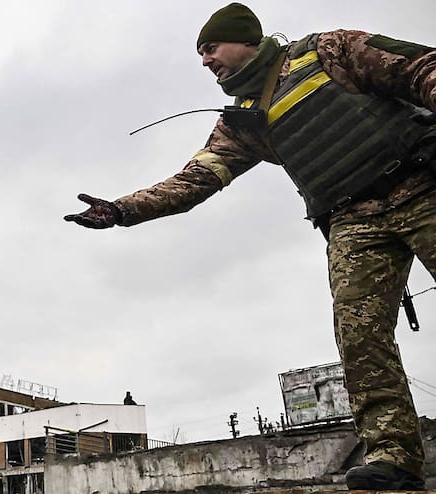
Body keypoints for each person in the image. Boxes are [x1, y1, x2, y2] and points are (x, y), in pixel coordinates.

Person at [64, 3, 435, 490]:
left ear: (246, 40)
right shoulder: (243, 120)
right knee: (360, 337)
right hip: (352, 221)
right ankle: (393, 455)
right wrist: (122, 210)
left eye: (210, 48)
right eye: (201, 54)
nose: (205, 61)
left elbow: (419, 68)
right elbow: (196, 179)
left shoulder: (327, 51)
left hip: (421, 186)